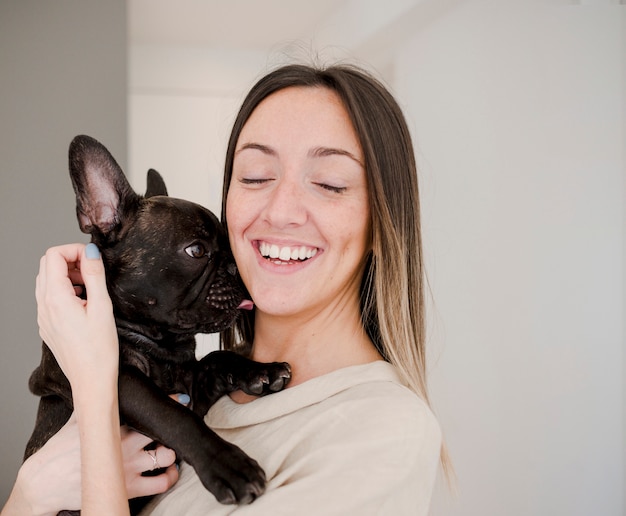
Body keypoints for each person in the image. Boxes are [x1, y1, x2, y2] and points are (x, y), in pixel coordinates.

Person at [2, 63, 446, 515]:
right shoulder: (208, 385)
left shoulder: (382, 431)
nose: (281, 210)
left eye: (329, 183)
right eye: (255, 175)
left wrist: (95, 408)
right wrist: (31, 493)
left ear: (383, 222)